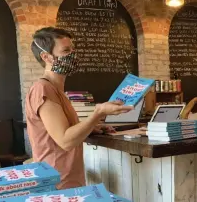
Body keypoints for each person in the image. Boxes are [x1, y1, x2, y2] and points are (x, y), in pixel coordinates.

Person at [25, 27, 133, 190]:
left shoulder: (57, 90)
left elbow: (63, 132)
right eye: (66, 50)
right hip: (56, 183)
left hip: (68, 180)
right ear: (46, 56)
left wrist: (91, 128)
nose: (73, 54)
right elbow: (65, 141)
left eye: (73, 49)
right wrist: (98, 113)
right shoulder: (43, 89)